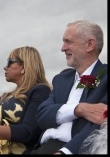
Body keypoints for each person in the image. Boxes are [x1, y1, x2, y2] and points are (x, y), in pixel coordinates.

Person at [31, 20, 107, 154]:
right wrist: (79, 109)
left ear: (89, 45)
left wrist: (65, 152)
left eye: (68, 41)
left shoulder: (105, 76)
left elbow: (100, 122)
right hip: (42, 148)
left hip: (76, 149)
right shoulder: (60, 79)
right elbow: (42, 115)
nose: (63, 48)